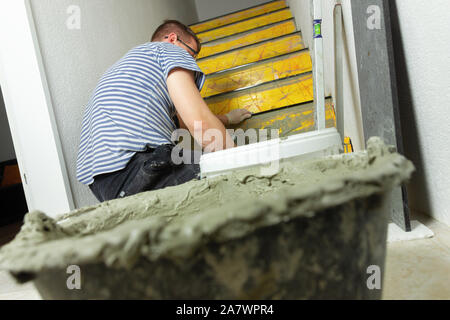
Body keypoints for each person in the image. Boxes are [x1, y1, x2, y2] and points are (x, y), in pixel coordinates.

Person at [76, 20, 252, 202]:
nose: (191, 62)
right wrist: (245, 166)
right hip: (138, 167)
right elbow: (200, 123)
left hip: (105, 185)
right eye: (192, 53)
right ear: (172, 39)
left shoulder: (129, 66)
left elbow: (183, 124)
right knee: (234, 182)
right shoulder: (169, 51)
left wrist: (228, 118)